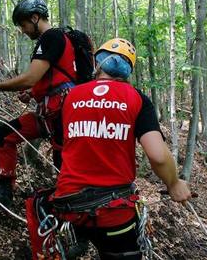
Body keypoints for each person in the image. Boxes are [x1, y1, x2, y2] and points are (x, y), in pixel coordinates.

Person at [50, 38, 191, 259]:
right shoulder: (136, 99)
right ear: (127, 70)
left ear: (98, 62)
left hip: (69, 209)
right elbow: (157, 155)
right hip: (114, 214)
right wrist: (174, 183)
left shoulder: (71, 97)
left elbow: (61, 145)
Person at [0, 0, 78, 206]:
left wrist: (0, 86)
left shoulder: (52, 37)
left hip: (63, 116)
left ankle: (69, 216)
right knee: (5, 133)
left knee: (63, 165)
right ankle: (5, 190)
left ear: (35, 18)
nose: (23, 31)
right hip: (49, 114)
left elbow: (31, 76)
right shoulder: (53, 39)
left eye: (23, 25)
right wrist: (33, 93)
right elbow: (52, 77)